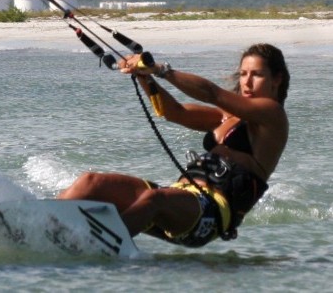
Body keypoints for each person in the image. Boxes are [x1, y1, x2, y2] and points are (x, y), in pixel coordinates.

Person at [58, 43, 289, 247]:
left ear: (276, 79)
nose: (247, 82)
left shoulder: (273, 116)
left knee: (154, 199)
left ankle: (96, 247)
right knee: (91, 183)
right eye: (243, 74)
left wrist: (160, 70)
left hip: (211, 213)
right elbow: (174, 112)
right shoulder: (225, 117)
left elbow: (211, 93)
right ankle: (40, 224)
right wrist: (144, 77)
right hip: (181, 197)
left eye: (256, 75)